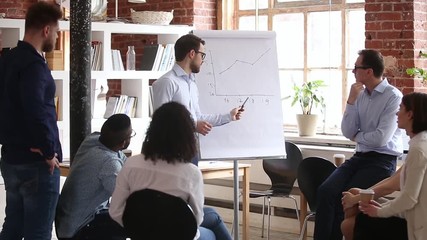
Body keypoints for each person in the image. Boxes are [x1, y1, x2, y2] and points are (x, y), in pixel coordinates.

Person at [313, 49, 403, 240]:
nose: (353, 72)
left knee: (346, 200)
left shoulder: (393, 96)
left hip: (382, 160)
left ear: (369, 71)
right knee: (325, 191)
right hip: (359, 157)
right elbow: (347, 131)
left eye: (356, 68)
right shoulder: (359, 95)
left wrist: (357, 136)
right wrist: (351, 101)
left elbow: (380, 139)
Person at [109, 102, 232, 240]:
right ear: (187, 135)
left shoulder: (131, 164)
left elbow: (115, 211)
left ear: (152, 130)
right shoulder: (190, 173)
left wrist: (139, 231)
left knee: (212, 215)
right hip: (178, 235)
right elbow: (197, 220)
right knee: (211, 233)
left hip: (141, 233)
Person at [0, 2, 63, 239]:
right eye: (57, 31)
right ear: (46, 30)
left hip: (10, 157)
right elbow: (37, 110)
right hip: (36, 163)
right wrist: (48, 151)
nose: (57, 38)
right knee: (38, 233)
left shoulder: (6, 59)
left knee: (12, 227)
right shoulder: (35, 65)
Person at [342, 92, 427, 240]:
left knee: (349, 224)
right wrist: (379, 206)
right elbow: (395, 181)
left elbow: (409, 199)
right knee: (356, 193)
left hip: (417, 225)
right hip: (410, 213)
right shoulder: (419, 143)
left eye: (400, 108)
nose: (396, 112)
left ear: (410, 115)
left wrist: (379, 212)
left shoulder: (419, 149)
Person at [152, 33, 242, 165]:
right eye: (202, 55)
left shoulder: (191, 83)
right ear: (192, 54)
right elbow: (161, 122)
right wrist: (193, 125)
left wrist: (229, 116)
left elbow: (197, 116)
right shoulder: (167, 82)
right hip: (170, 152)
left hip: (190, 149)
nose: (203, 60)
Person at [55, 114, 133, 240]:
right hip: (78, 229)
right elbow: (127, 198)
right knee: (135, 220)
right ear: (124, 143)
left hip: (67, 222)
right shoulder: (109, 163)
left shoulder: (93, 139)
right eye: (131, 135)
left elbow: (126, 164)